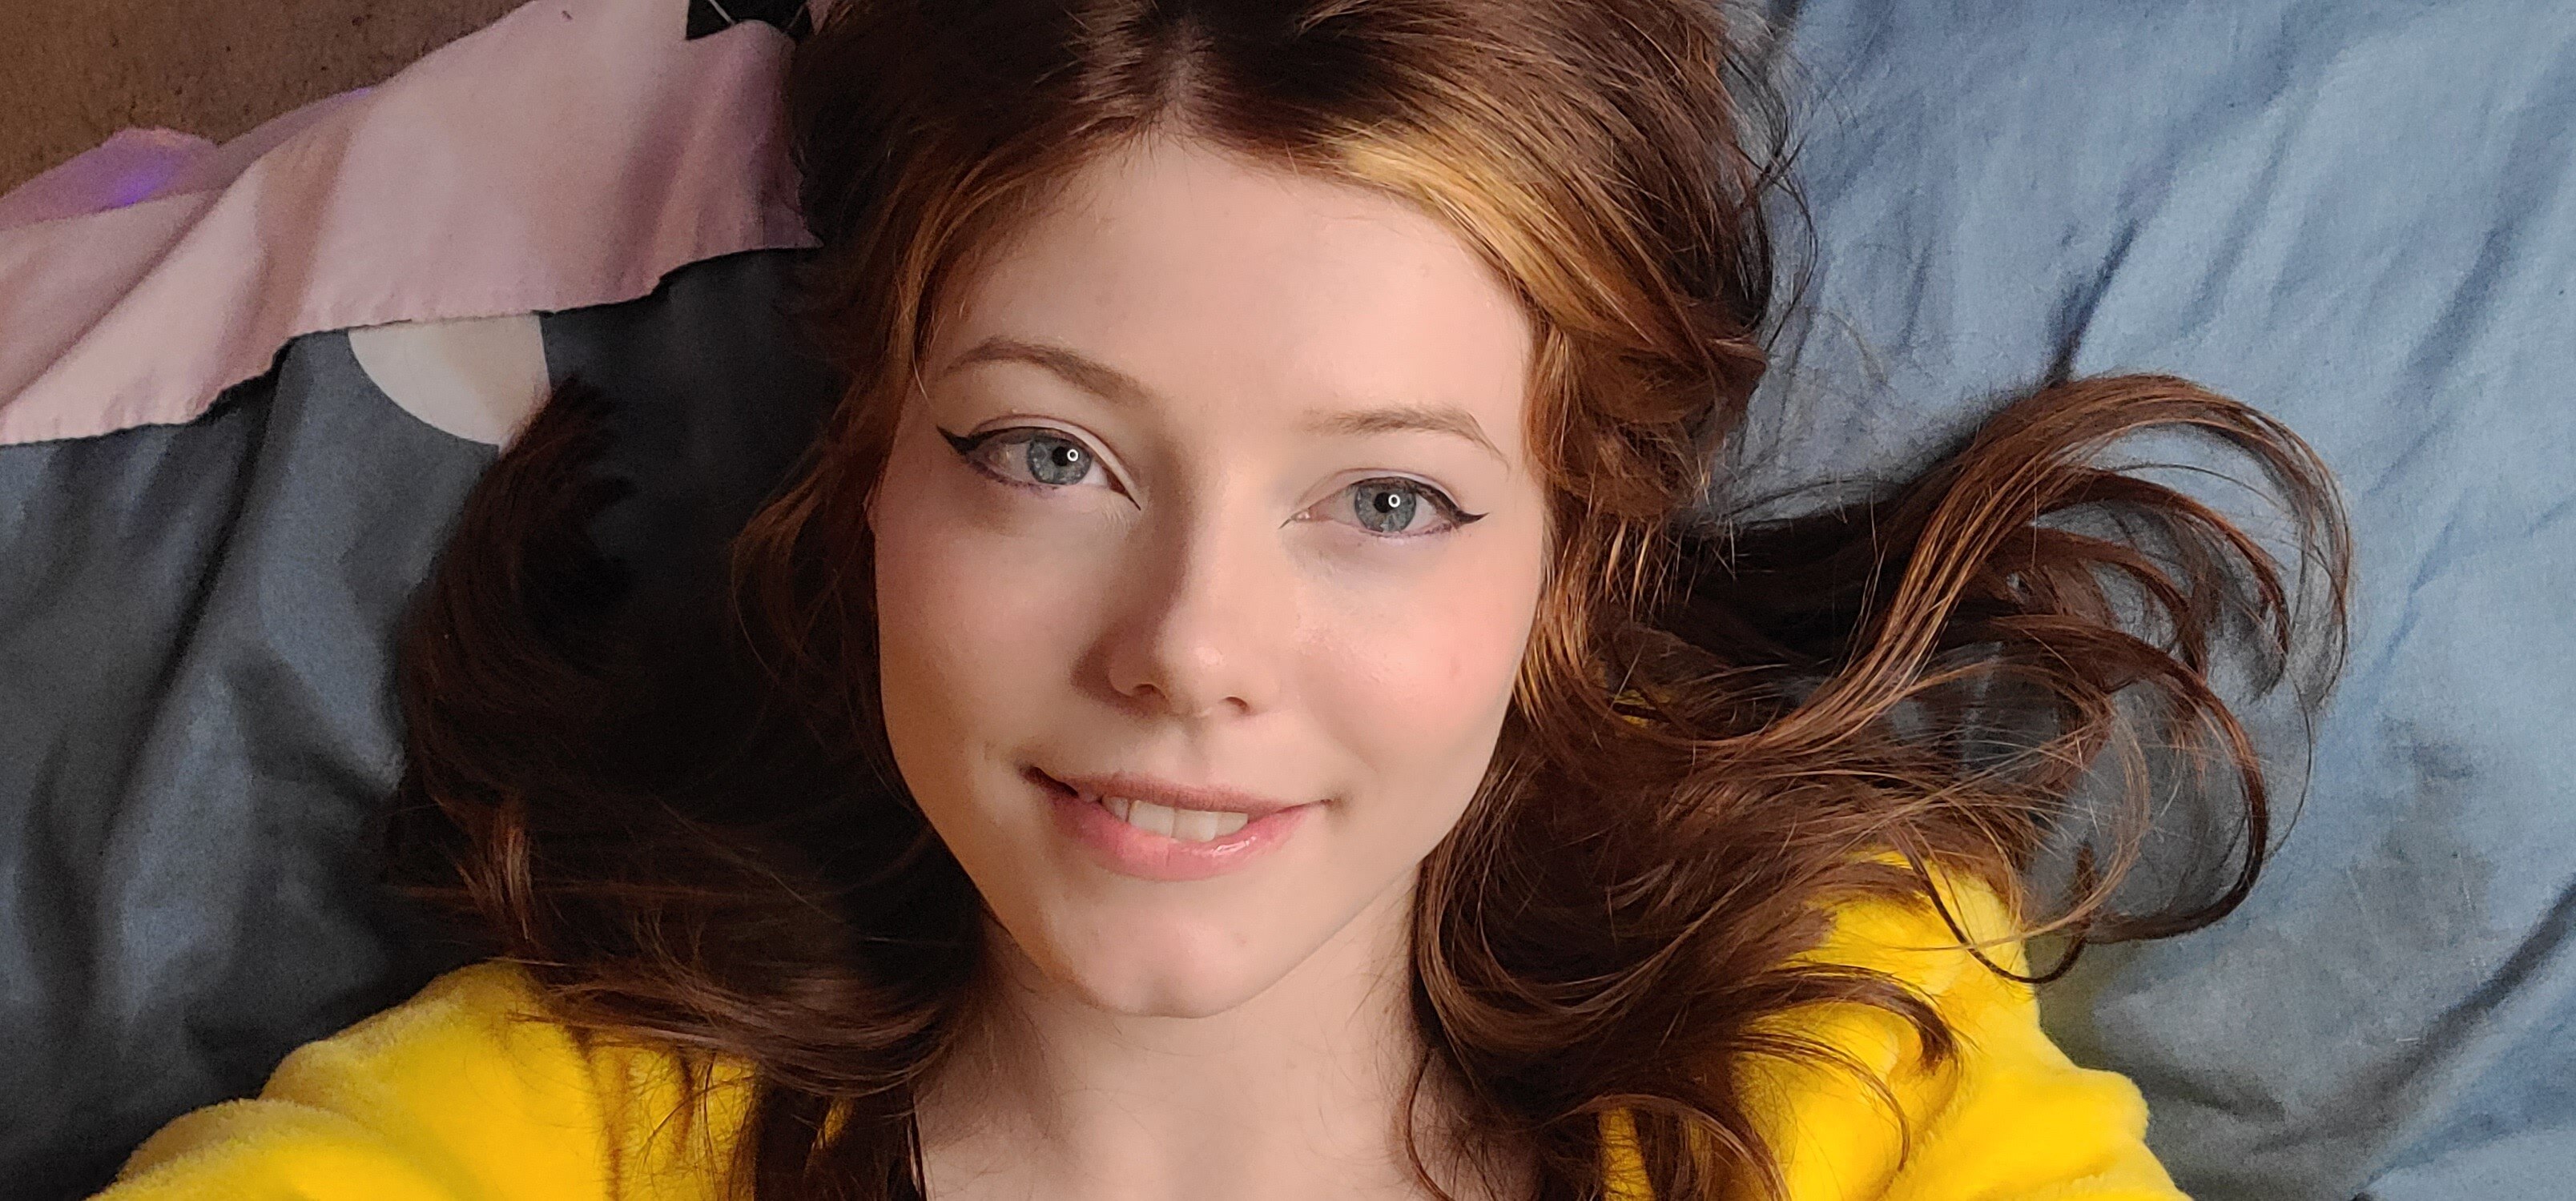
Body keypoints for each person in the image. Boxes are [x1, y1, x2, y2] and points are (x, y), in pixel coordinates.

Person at [91, 0, 2353, 1198]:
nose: (1186, 645)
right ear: (867, 471)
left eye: (1386, 498)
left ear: (1569, 561)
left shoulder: (1859, 1078)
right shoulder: (529, 1137)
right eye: (1047, 454)